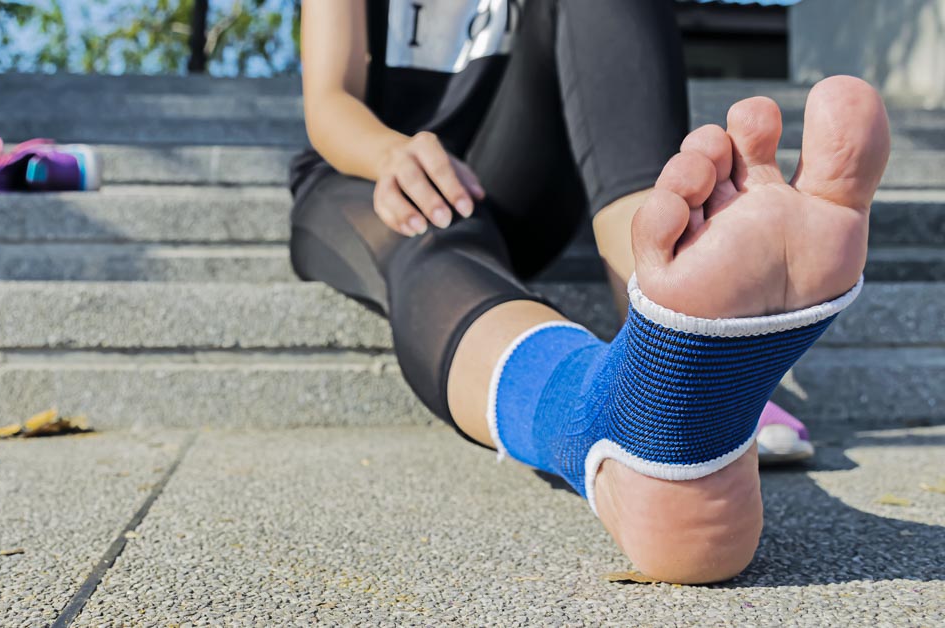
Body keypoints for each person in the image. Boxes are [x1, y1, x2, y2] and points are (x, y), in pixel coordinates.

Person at [288, 0, 890, 583]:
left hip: (511, 177)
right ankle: (627, 407)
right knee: (424, 225)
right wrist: (393, 152)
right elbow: (330, 101)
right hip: (366, 168)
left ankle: (670, 345)